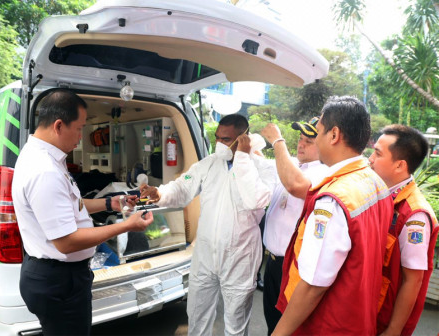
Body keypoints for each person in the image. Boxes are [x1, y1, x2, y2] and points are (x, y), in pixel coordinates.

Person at [12, 89, 154, 335]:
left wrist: (111, 203)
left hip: (57, 277)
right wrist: (127, 225)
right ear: (58, 125)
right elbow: (67, 242)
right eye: (79, 128)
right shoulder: (44, 170)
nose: (81, 136)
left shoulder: (43, 157)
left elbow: (68, 205)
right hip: (59, 281)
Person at [140, 114, 274, 336]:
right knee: (197, 313)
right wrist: (160, 193)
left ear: (243, 138)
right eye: (217, 138)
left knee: (236, 320)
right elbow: (182, 188)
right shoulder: (208, 164)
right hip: (205, 254)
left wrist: (242, 158)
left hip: (239, 255)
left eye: (226, 139)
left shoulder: (262, 168)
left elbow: (256, 199)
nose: (219, 144)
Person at [273, 96, 394, 336]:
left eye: (318, 133)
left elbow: (313, 286)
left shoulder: (332, 200)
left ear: (334, 135)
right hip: (358, 316)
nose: (315, 140)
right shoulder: (375, 182)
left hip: (328, 323)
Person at [369, 125, 439, 336]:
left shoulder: (414, 216)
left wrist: (393, 330)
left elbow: (413, 279)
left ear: (400, 165)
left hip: (382, 319)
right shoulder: (379, 194)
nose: (370, 159)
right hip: (366, 309)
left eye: (377, 153)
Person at [260, 118, 328, 335]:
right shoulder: (299, 167)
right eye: (300, 139)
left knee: (287, 327)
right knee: (273, 323)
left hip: (292, 266)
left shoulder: (322, 172)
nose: (301, 144)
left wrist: (278, 141)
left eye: (309, 141)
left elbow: (295, 185)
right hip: (272, 263)